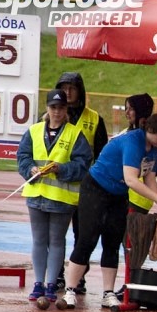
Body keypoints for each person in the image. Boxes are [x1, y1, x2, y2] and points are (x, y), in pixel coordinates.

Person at [56, 113, 157, 310]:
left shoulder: (154, 150)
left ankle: (108, 292)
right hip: (96, 189)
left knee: (112, 242)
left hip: (118, 194)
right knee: (87, 239)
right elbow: (131, 179)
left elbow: (149, 177)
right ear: (150, 130)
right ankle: (70, 290)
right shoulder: (133, 142)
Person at [16, 88, 93, 304]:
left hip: (61, 198)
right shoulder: (33, 131)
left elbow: (83, 164)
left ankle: (52, 283)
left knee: (57, 241)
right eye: (53, 107)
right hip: (36, 194)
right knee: (39, 240)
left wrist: (62, 169)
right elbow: (22, 156)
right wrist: (30, 169)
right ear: (47, 108)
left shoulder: (75, 134)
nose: (57, 112)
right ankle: (38, 283)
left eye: (61, 108)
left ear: (66, 109)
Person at [54, 71, 108, 295]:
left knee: (83, 235)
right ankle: (56, 274)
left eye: (72, 88)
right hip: (57, 186)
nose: (67, 93)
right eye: (63, 88)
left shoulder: (94, 119)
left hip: (86, 188)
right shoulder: (50, 115)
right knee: (56, 235)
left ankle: (78, 278)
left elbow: (102, 154)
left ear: (80, 91)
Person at [120, 93, 157, 214]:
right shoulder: (126, 134)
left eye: (131, 109)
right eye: (126, 108)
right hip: (122, 194)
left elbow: (156, 169)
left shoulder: (148, 139)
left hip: (137, 197)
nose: (127, 112)